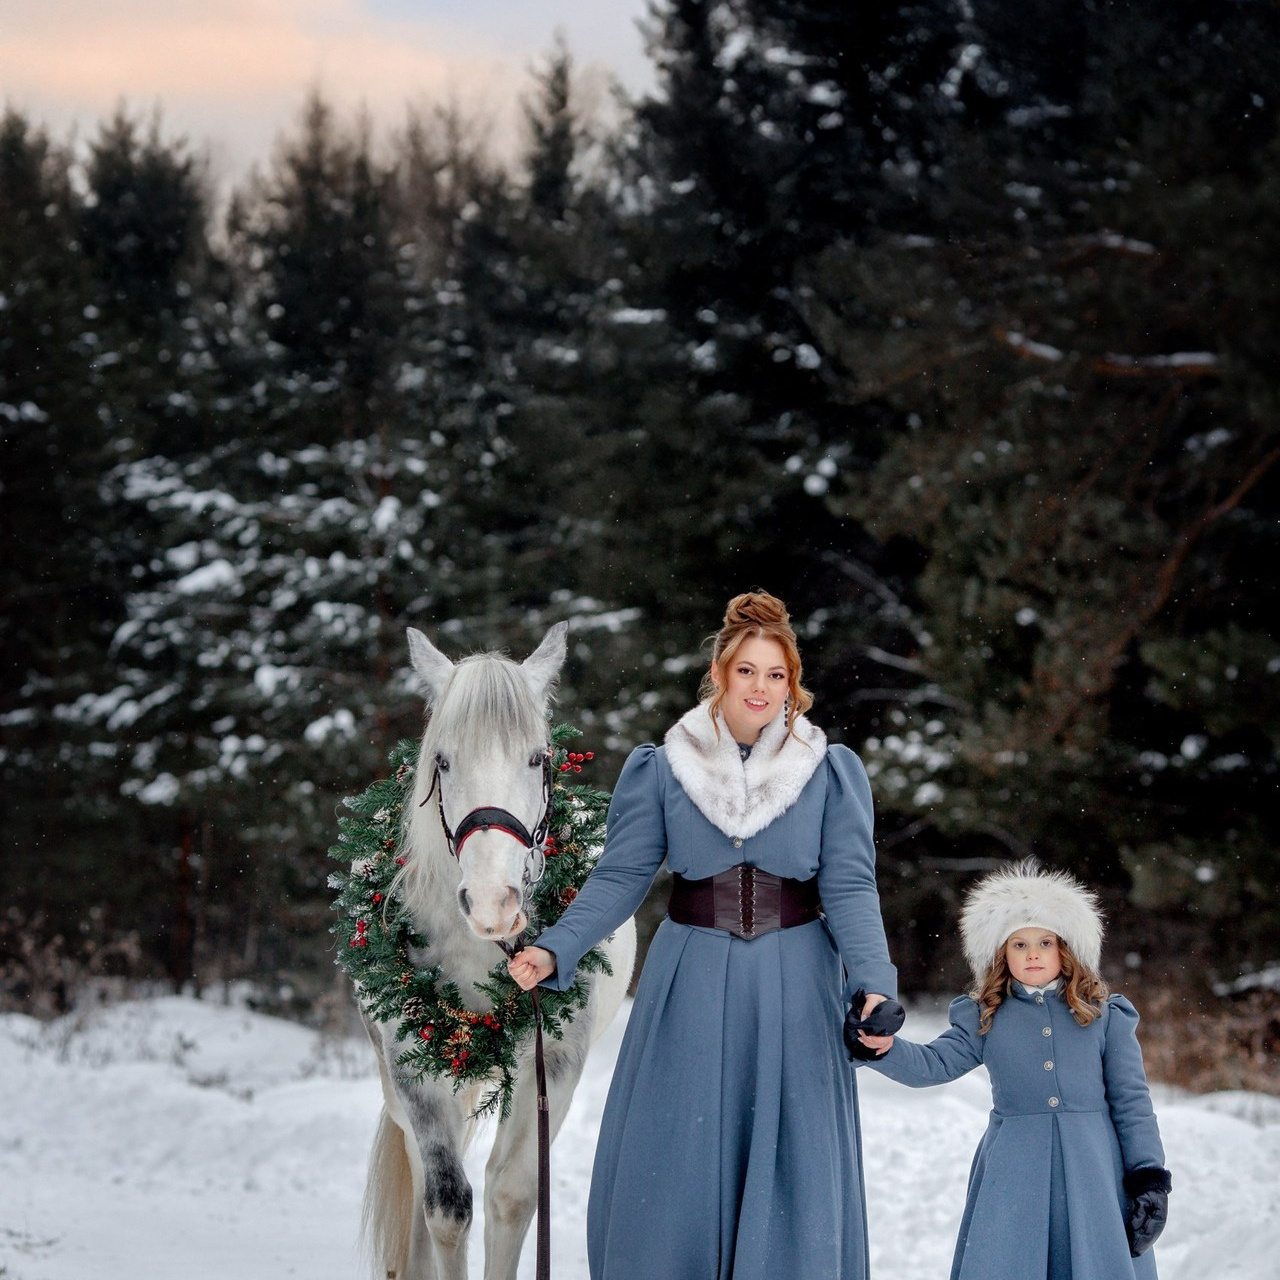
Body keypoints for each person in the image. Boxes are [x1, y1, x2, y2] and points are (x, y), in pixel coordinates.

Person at [507, 589, 898, 1280]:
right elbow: (623, 876)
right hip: (688, 978)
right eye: (746, 670)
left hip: (798, 981)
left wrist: (874, 985)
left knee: (792, 1156)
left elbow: (851, 887)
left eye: (776, 674)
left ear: (792, 684)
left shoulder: (827, 770)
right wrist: (556, 947)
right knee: (676, 1152)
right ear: (720, 674)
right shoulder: (663, 768)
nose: (761, 687)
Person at [862, 859, 1172, 1280]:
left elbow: (1132, 1101)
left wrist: (1149, 1176)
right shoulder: (984, 1015)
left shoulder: (1104, 1016)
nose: (1032, 955)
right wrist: (884, 1048)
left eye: (1045, 942)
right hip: (1014, 1172)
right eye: (1019, 945)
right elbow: (934, 1064)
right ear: (1000, 953)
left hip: (1095, 1172)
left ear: (1066, 948)